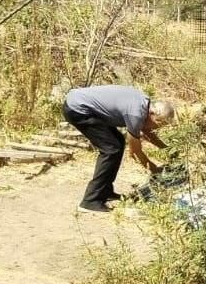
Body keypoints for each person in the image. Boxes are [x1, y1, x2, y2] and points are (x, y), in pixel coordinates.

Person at [62, 84, 175, 213]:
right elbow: (136, 152)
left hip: (79, 103)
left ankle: (105, 191)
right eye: (158, 124)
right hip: (78, 109)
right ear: (152, 114)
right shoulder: (136, 114)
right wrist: (155, 170)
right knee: (111, 149)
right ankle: (90, 201)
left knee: (117, 143)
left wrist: (170, 150)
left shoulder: (144, 104)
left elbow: (148, 133)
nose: (157, 128)